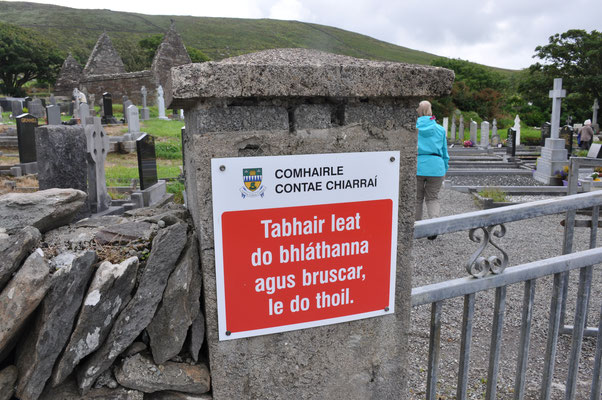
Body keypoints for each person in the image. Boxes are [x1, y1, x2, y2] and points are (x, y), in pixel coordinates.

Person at [415, 100, 449, 240]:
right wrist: (445, 169)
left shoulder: (413, 128)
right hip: (436, 167)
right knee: (432, 198)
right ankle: (433, 226)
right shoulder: (440, 130)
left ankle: (415, 227)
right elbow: (444, 152)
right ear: (430, 110)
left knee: (417, 198)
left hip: (417, 165)